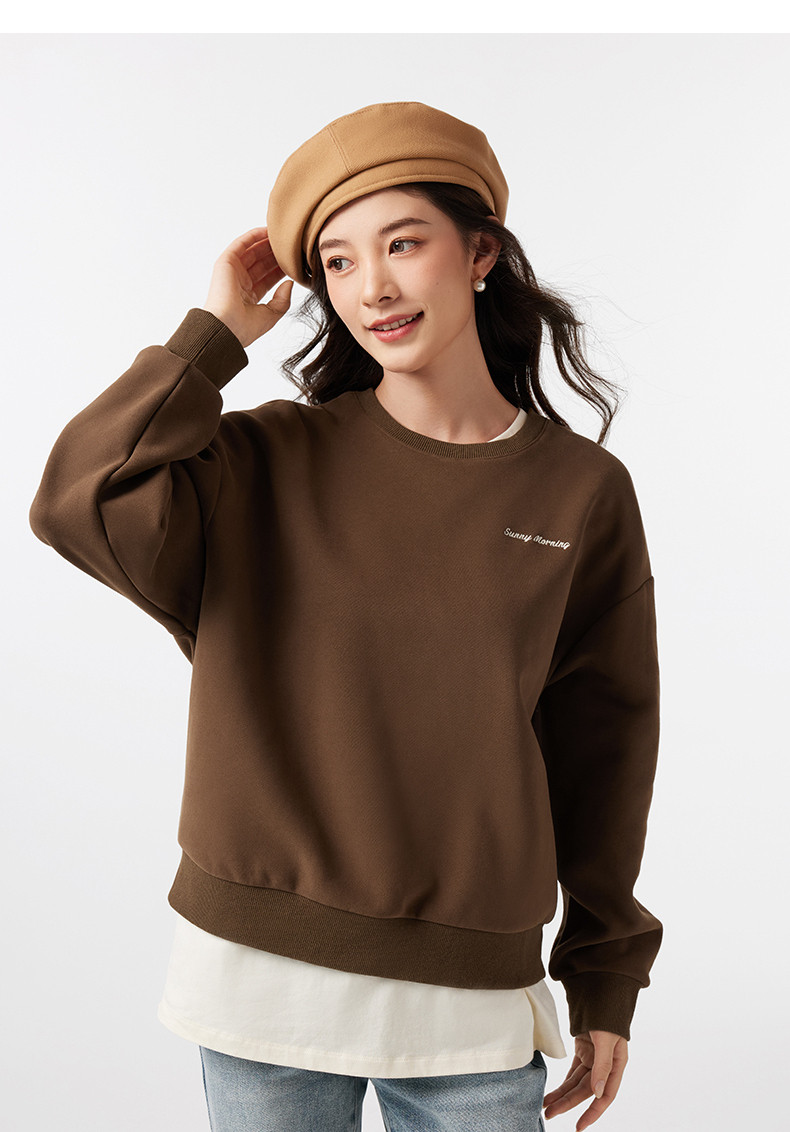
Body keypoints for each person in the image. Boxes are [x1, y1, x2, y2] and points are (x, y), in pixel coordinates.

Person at [28, 101, 662, 1132]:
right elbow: (76, 498)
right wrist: (212, 340)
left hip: (469, 993)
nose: (372, 286)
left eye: (403, 243)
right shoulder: (259, 463)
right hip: (258, 983)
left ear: (481, 253)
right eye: (337, 261)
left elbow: (605, 744)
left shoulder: (579, 492)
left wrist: (604, 973)